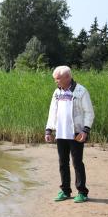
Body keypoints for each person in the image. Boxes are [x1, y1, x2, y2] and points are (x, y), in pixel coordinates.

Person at [45, 66, 95, 203]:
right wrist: (49, 130)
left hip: (76, 133)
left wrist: (85, 130)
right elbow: (52, 112)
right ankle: (65, 191)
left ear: (68, 77)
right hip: (60, 133)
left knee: (77, 163)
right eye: (55, 79)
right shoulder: (56, 92)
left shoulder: (81, 91)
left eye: (58, 79)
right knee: (63, 163)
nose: (56, 82)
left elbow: (89, 112)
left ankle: (82, 192)